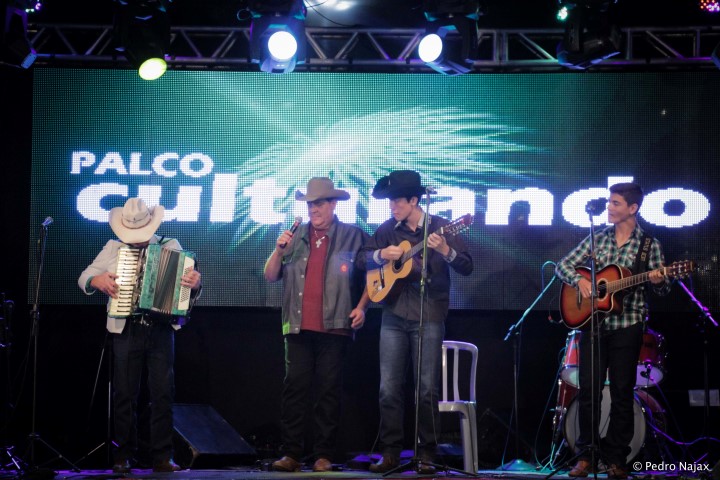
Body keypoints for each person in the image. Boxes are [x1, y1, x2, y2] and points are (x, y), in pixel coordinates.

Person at [357, 170, 473, 474]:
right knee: (388, 388)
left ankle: (427, 453)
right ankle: (390, 452)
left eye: (397, 201)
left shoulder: (440, 228)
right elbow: (360, 259)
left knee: (426, 389)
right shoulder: (387, 230)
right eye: (390, 201)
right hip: (393, 315)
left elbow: (467, 266)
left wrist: (445, 250)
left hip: (429, 314)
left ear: (414, 200)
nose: (392, 206)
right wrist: (381, 254)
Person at [555, 183, 671, 480]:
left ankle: (616, 458)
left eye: (615, 203)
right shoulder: (599, 238)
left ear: (632, 208)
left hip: (628, 325)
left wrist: (660, 280)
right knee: (588, 391)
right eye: (609, 202)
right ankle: (586, 455)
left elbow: (663, 290)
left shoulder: (649, 245)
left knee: (621, 392)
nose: (609, 207)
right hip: (593, 325)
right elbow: (563, 265)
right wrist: (580, 282)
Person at [78, 198, 202, 473]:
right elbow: (83, 278)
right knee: (124, 394)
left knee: (162, 394)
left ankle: (162, 457)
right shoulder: (113, 248)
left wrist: (195, 283)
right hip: (126, 328)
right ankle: (123, 456)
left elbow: (188, 286)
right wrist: (97, 280)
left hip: (160, 328)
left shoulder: (171, 246)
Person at [263, 177, 369, 473]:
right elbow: (270, 275)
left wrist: (361, 307)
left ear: (333, 204)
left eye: (319, 203)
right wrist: (279, 250)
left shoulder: (353, 236)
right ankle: (291, 453)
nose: (313, 209)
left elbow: (374, 276)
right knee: (294, 389)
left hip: (335, 325)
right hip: (297, 325)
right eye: (310, 204)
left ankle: (324, 455)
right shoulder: (294, 235)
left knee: (328, 391)